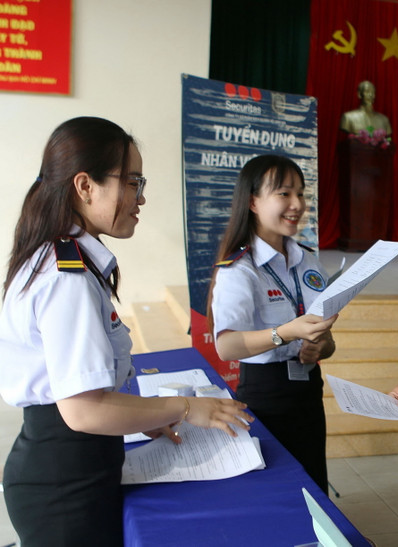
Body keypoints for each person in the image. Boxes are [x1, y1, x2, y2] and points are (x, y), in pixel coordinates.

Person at [0, 117, 253, 547]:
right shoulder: (67, 277)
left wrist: (146, 417)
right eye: (133, 181)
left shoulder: (65, 257)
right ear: (85, 186)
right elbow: (83, 411)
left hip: (73, 465)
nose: (142, 197)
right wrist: (184, 408)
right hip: (64, 487)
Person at [209, 154, 338, 493]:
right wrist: (287, 333)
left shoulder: (308, 260)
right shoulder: (239, 268)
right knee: (277, 494)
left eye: (300, 193)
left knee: (313, 486)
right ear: (252, 201)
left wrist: (320, 344)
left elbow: (329, 340)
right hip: (265, 396)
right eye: (284, 193)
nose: (297, 204)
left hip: (309, 391)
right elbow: (227, 346)